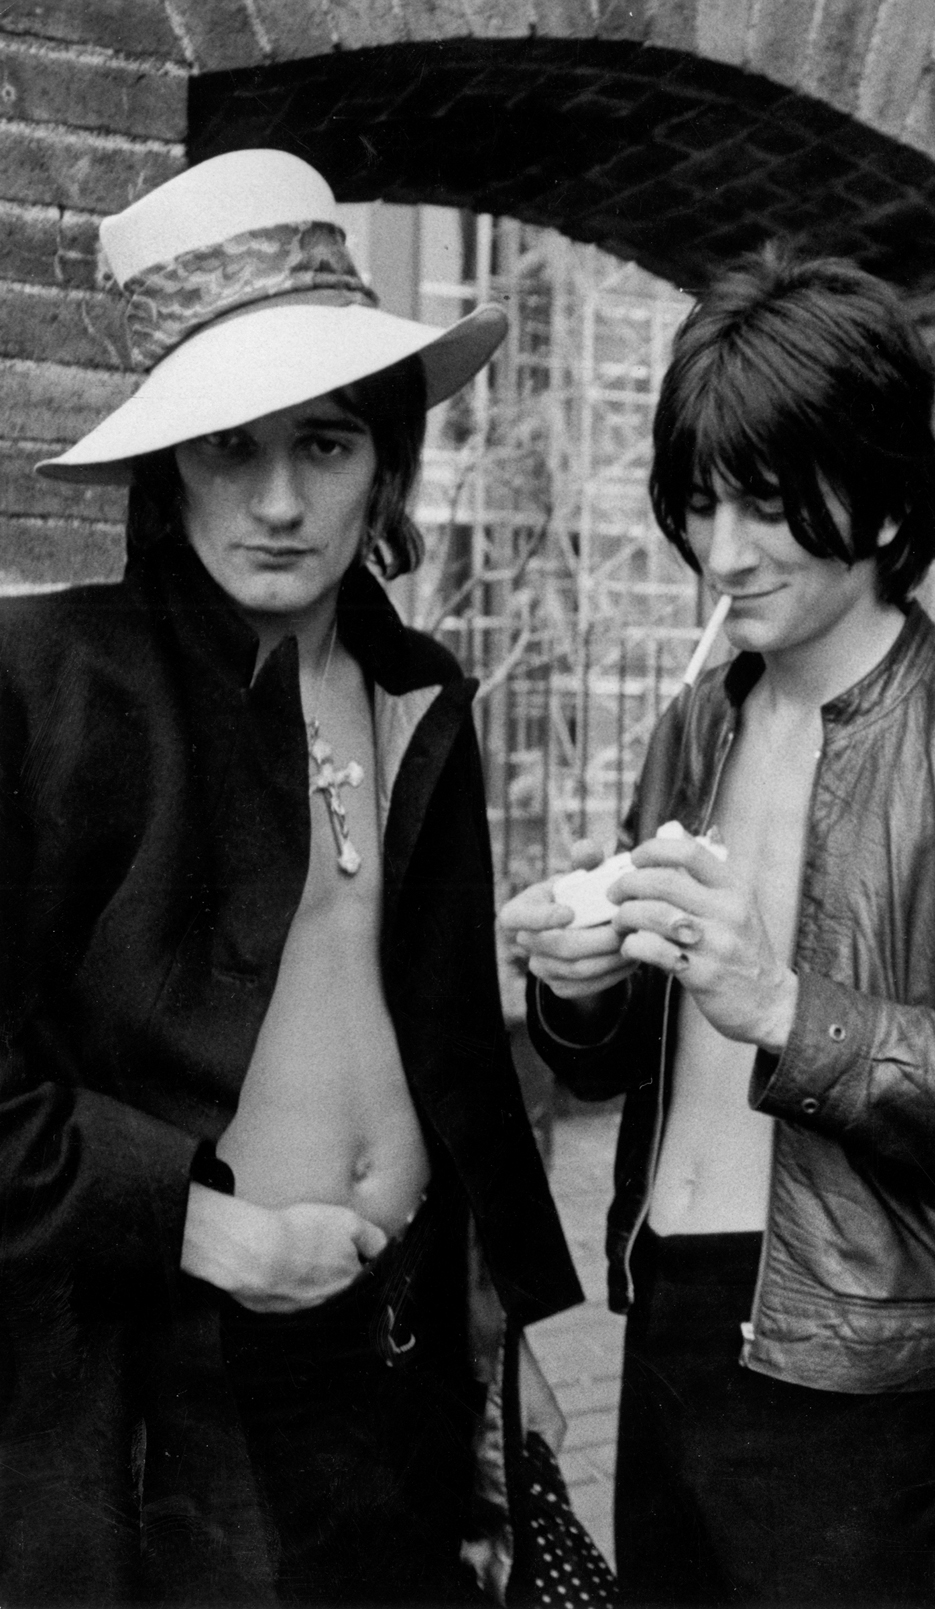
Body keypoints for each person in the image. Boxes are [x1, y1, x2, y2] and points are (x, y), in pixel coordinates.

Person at [500, 247, 935, 1608]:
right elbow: (619, 1067)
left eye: (769, 503)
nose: (724, 553)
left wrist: (790, 1009)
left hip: (855, 1354)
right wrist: (582, 986)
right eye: (701, 504)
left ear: (881, 480)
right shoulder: (694, 721)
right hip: (663, 1305)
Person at [0, 149, 583, 1604]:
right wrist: (206, 1231)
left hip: (391, 1356)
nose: (277, 501)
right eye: (228, 449)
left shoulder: (420, 694)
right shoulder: (52, 689)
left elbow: (442, 1061)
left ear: (385, 461)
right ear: (167, 467)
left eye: (323, 445)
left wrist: (485, 1353)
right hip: (165, 1384)